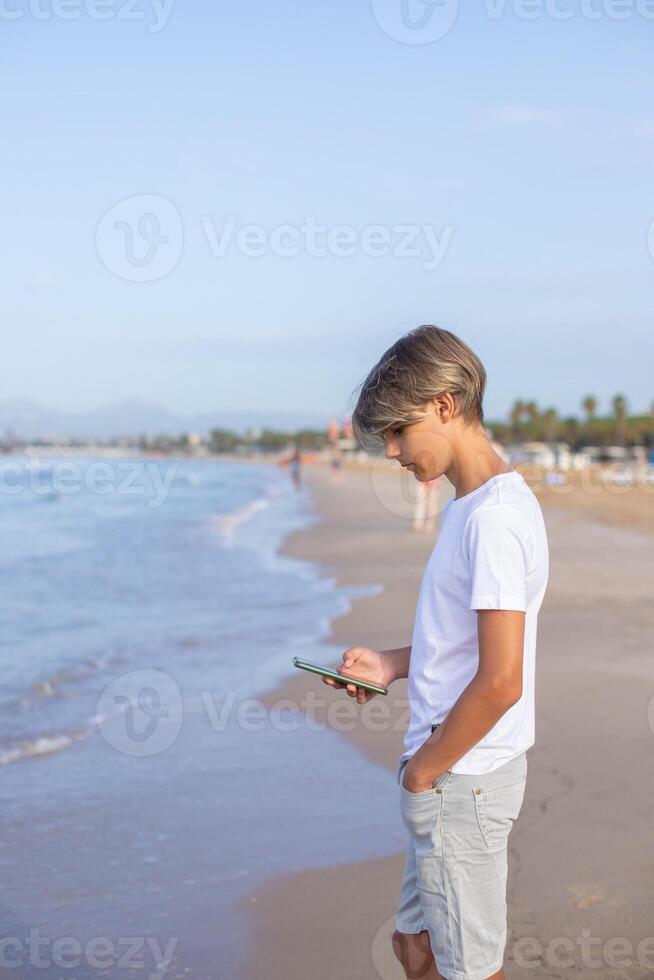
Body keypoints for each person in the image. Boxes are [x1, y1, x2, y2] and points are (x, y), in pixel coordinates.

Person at [322, 325, 549, 980]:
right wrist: (394, 664)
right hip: (456, 771)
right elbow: (469, 645)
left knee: (469, 969)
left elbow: (502, 679)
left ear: (446, 404)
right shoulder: (470, 504)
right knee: (414, 947)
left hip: (461, 778)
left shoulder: (494, 520)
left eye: (399, 430)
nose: (391, 450)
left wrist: (424, 772)